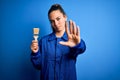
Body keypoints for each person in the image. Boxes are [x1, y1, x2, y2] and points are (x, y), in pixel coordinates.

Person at [31, 4, 86, 80]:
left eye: (58, 19)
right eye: (52, 21)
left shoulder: (72, 40)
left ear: (65, 17)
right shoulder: (44, 41)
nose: (56, 24)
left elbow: (82, 48)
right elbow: (38, 65)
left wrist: (77, 45)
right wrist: (35, 53)